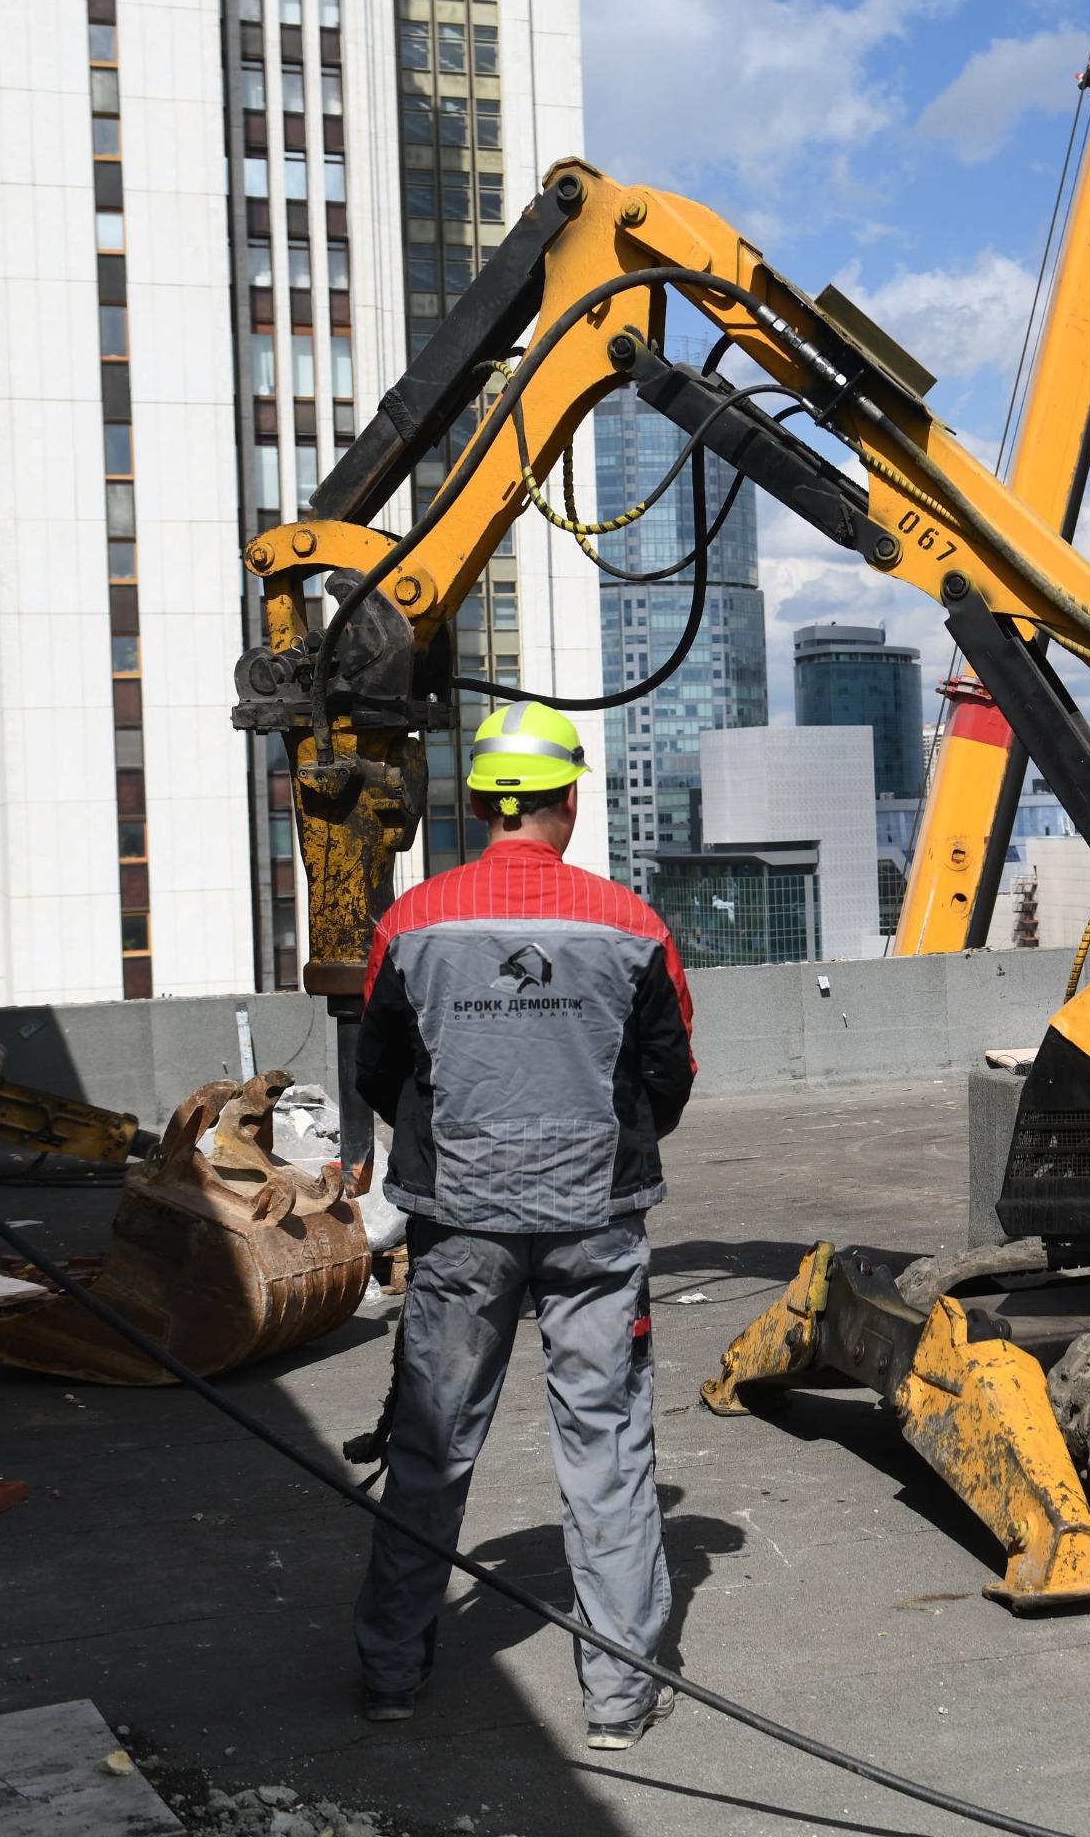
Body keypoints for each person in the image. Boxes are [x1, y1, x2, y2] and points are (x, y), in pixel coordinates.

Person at [348, 701, 696, 1751]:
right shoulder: (631, 923)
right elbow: (669, 1076)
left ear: (478, 802)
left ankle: (391, 1674)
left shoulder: (413, 922)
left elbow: (378, 1070)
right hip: (595, 1222)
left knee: (430, 1445)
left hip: (458, 1226)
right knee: (609, 1448)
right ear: (569, 799)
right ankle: (622, 1694)